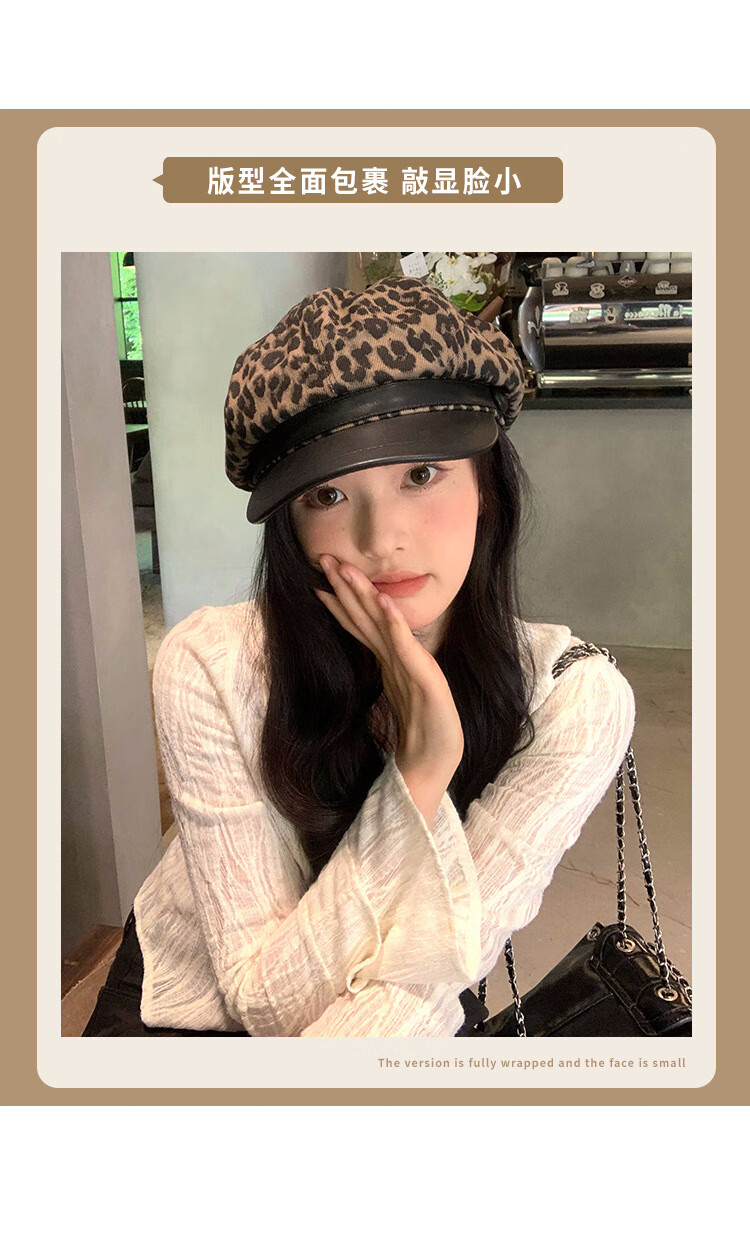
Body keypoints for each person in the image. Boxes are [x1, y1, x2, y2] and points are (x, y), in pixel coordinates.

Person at [83, 276, 635, 1038]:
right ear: (291, 524)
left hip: (405, 1005)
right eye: (329, 495)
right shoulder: (212, 664)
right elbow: (262, 1001)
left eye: (420, 474)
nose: (381, 539)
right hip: (192, 1003)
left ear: (487, 485)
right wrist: (419, 770)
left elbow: (429, 979)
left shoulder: (572, 699)